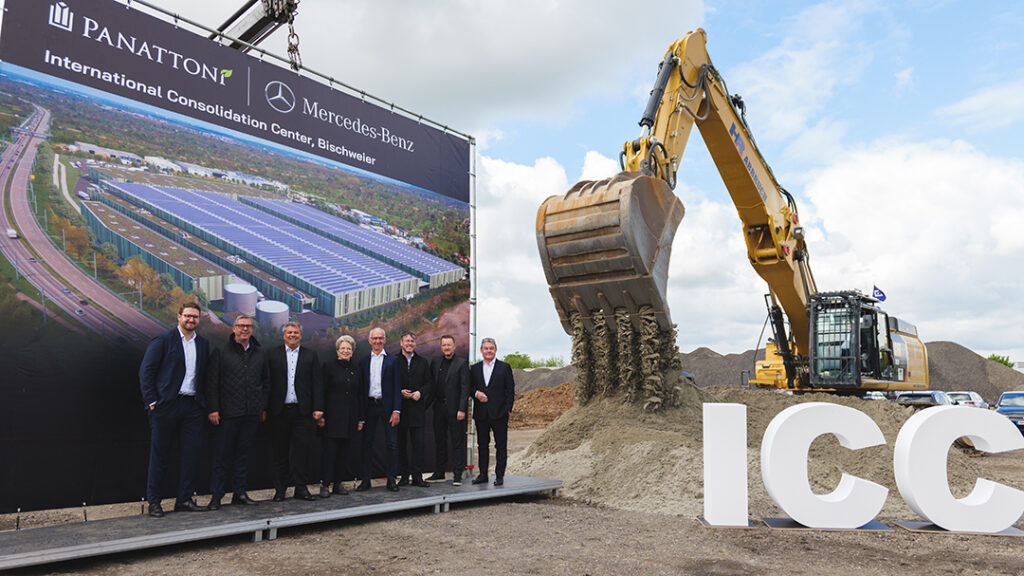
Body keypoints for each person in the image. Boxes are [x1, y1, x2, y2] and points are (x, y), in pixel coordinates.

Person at [138, 301, 211, 517]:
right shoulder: (163, 340)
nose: (191, 320)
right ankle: (154, 502)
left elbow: (204, 375)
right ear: (178, 317)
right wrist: (152, 402)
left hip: (192, 407)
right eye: (187, 316)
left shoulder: (203, 344)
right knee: (160, 455)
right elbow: (146, 372)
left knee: (191, 455)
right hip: (166, 406)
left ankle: (184, 500)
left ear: (199, 320)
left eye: (195, 317)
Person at [205, 314, 269, 509]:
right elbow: (211, 382)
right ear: (233, 328)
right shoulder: (221, 351)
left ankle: (239, 493)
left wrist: (262, 406)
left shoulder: (259, 353)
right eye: (241, 326)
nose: (245, 330)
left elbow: (266, 382)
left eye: (248, 326)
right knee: (222, 455)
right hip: (228, 413)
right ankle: (216, 496)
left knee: (243, 455)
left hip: (251, 413)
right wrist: (213, 408)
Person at [266, 321, 323, 501]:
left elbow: (317, 383)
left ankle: (301, 488)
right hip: (279, 411)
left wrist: (318, 407)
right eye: (289, 332)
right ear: (284, 335)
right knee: (279, 453)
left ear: (300, 335)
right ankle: (280, 490)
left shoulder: (310, 355)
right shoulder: (272, 355)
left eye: (296, 333)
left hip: (302, 412)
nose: (292, 335)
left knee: (301, 452)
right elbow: (266, 383)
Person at [356, 327, 402, 492]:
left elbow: (397, 387)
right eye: (374, 338)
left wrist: (397, 410)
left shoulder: (393, 360)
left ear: (385, 340)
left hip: (387, 408)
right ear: (369, 340)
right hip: (369, 407)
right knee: (366, 444)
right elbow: (360, 389)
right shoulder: (363, 362)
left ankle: (391, 480)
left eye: (380, 338)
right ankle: (365, 480)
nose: (377, 341)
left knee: (392, 444)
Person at [318, 335, 363, 497]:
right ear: (337, 350)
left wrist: (360, 418)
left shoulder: (357, 369)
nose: (345, 351)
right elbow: (321, 391)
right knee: (329, 453)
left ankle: (338, 483)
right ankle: (325, 484)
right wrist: (320, 413)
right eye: (343, 348)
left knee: (344, 453)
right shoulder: (328, 367)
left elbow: (360, 395)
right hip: (332, 417)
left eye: (348, 349)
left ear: (352, 352)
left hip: (350, 418)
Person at [427, 334, 471, 486]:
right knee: (440, 441)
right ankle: (439, 473)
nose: (446, 347)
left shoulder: (462, 363)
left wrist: (462, 409)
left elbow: (465, 389)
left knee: (457, 442)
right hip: (439, 407)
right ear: (441, 347)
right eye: (444, 345)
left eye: (449, 345)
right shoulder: (435, 362)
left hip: (455, 410)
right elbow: (431, 384)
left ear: (454, 346)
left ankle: (457, 475)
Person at [471, 337, 515, 487]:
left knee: (500, 445)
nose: (488, 351)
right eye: (486, 348)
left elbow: (510, 390)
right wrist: (476, 394)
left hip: (500, 413)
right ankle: (483, 474)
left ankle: (499, 475)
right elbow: (470, 388)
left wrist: (508, 409)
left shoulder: (504, 367)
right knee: (482, 445)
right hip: (481, 413)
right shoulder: (475, 368)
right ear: (481, 351)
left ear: (495, 350)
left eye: (491, 348)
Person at [396, 332, 433, 488]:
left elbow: (430, 383)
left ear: (415, 344)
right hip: (400, 410)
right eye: (407, 341)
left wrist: (420, 392)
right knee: (401, 445)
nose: (409, 343)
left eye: (412, 341)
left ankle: (417, 477)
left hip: (417, 410)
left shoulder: (423, 362)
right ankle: (404, 477)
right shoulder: (393, 361)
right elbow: (388, 382)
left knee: (418, 446)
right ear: (401, 343)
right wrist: (399, 392)